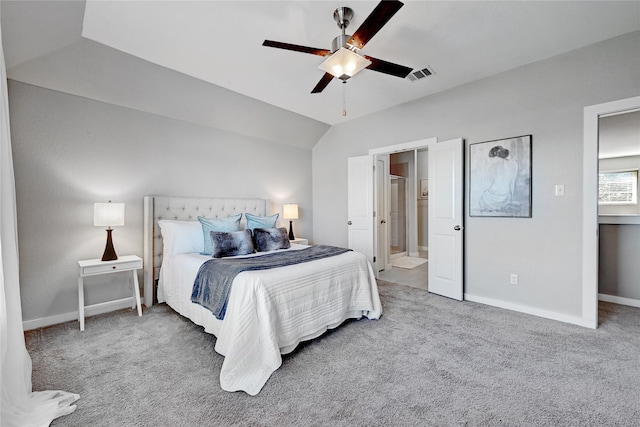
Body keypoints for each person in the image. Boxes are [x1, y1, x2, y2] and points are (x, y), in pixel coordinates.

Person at [479, 145, 519, 212]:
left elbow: (491, 183)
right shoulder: (514, 164)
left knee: (483, 196)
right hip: (506, 198)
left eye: (492, 158)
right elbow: (513, 182)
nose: (491, 160)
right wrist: (511, 198)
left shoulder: (492, 167)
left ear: (496, 157)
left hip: (492, 197)